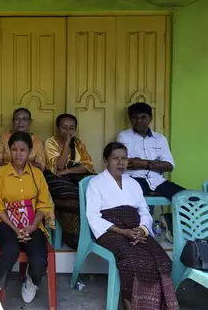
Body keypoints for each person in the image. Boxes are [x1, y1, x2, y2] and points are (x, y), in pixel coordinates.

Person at [86, 142, 179, 310]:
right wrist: (123, 231)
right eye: (116, 158)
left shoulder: (133, 183)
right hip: (111, 230)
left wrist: (142, 229)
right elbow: (93, 216)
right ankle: (132, 304)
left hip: (136, 228)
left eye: (124, 158)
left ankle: (157, 305)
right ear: (106, 160)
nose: (121, 162)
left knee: (162, 260)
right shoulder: (96, 183)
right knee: (135, 260)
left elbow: (144, 210)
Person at [0, 132, 54, 310]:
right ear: (9, 151)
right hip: (6, 224)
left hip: (32, 223)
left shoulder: (37, 174)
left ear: (29, 151)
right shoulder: (0, 173)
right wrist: (15, 229)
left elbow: (44, 204)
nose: (18, 154)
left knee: (39, 260)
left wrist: (31, 227)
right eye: (14, 149)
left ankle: (32, 281)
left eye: (23, 150)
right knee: (10, 249)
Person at [117, 102, 182, 241]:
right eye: (135, 117)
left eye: (143, 117)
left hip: (156, 180)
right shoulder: (124, 137)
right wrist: (154, 164)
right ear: (130, 119)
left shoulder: (160, 139)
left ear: (150, 118)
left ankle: (169, 220)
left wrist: (142, 163)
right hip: (134, 179)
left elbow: (169, 166)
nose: (139, 121)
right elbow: (125, 162)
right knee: (136, 201)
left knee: (185, 197)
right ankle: (144, 232)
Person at [43, 113, 95, 249]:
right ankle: (73, 237)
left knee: (94, 194)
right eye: (64, 127)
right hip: (55, 178)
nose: (68, 131)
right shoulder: (50, 142)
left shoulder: (79, 144)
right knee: (73, 198)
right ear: (57, 128)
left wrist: (68, 171)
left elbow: (87, 165)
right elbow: (58, 166)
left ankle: (94, 234)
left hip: (73, 176)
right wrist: (66, 144)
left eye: (71, 128)